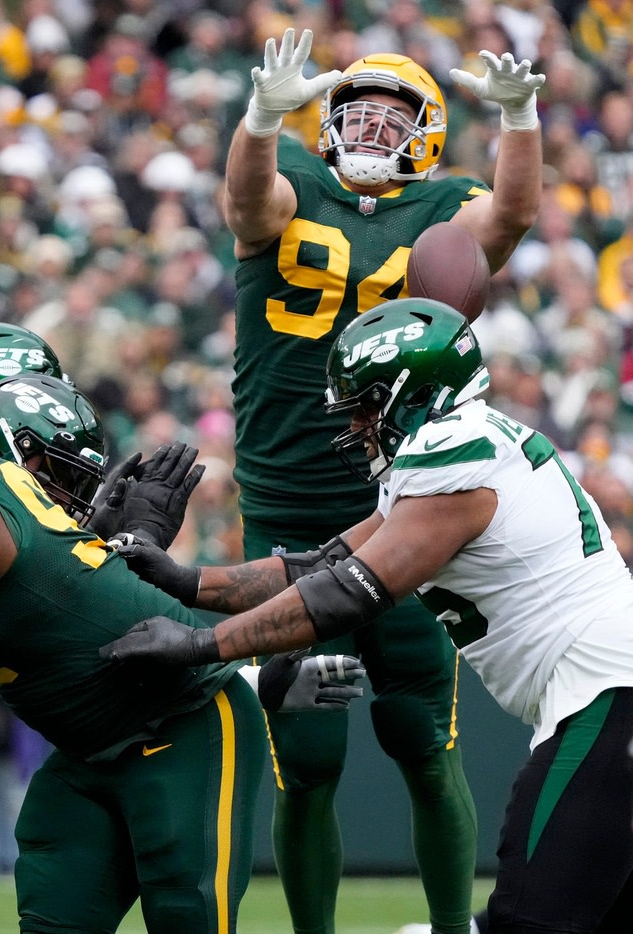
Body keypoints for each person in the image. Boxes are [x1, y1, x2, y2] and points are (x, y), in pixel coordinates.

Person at [102, 298, 633, 933]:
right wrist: (187, 581)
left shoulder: (453, 450)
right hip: (600, 690)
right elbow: (321, 565)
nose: (356, 423)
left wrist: (199, 645)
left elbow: (346, 596)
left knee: (527, 921)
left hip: (606, 693)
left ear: (411, 394)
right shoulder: (471, 444)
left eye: (365, 404)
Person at [0, 372, 364, 933]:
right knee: (55, 913)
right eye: (56, 472)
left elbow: (84, 616)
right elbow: (75, 623)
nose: (73, 499)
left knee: (187, 913)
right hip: (86, 748)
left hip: (175, 730)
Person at [219, 27, 545, 934]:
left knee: (424, 743)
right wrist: (258, 118)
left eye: (391, 115)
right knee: (307, 758)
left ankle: (453, 929)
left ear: (428, 133)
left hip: (402, 507)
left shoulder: (446, 208)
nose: (369, 127)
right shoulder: (292, 181)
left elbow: (510, 220)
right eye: (355, 111)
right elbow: (248, 205)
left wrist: (520, 122)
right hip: (287, 508)